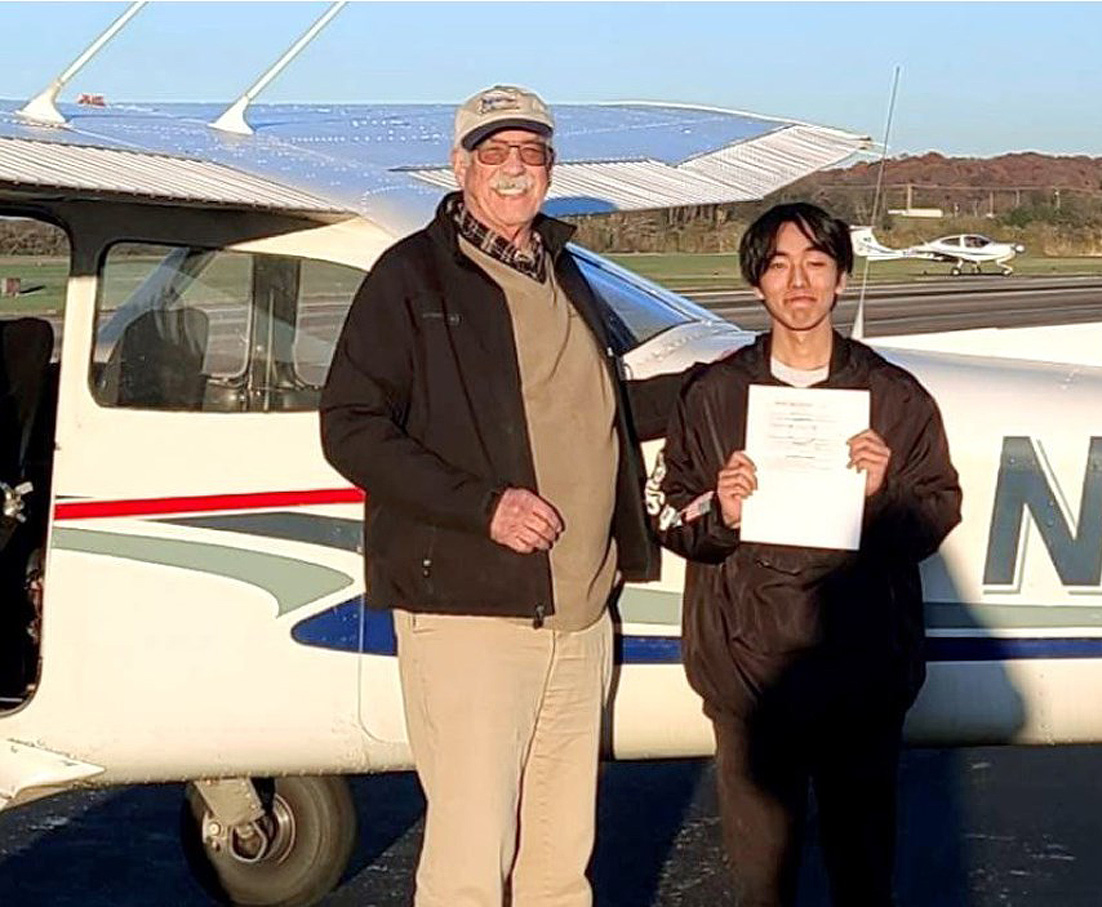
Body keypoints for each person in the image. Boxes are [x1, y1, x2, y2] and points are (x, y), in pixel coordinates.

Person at [319, 84, 678, 907]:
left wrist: (740, 385)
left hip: (580, 610)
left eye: (533, 154)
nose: (515, 171)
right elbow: (350, 425)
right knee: (470, 863)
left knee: (559, 863)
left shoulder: (560, 270)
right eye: (495, 153)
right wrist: (485, 506)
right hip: (473, 615)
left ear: (550, 168)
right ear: (460, 165)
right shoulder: (411, 276)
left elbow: (599, 409)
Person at [647, 202, 962, 906]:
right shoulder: (712, 392)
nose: (799, 282)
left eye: (817, 264)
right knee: (762, 882)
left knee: (862, 875)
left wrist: (881, 493)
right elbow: (668, 509)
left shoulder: (895, 397)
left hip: (863, 675)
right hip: (748, 676)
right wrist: (720, 511)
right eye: (780, 265)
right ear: (757, 281)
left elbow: (936, 513)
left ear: (841, 279)